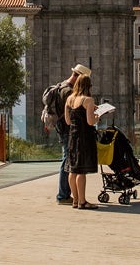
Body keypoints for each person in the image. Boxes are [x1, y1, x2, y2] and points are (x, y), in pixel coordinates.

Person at [51, 63, 89, 204]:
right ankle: (63, 195)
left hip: (61, 128)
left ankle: (66, 195)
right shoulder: (69, 92)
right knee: (68, 161)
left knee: (66, 159)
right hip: (68, 130)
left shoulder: (61, 85)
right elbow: (75, 113)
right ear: (78, 77)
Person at [65, 71, 99, 209]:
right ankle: (83, 202)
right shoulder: (88, 100)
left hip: (73, 138)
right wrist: (97, 116)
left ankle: (75, 200)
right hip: (85, 138)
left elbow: (68, 121)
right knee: (81, 171)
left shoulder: (69, 99)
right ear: (88, 86)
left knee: (72, 170)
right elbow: (90, 122)